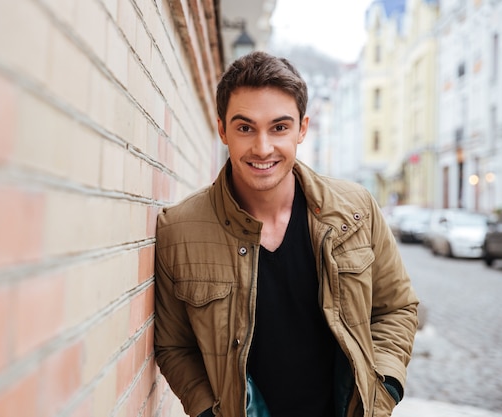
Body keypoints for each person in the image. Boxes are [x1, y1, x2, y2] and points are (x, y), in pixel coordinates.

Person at [154, 51, 419, 417]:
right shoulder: (179, 229)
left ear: (302, 129)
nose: (262, 148)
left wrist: (382, 387)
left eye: (279, 127)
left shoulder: (357, 211)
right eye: (245, 127)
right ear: (222, 130)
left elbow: (397, 308)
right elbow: (173, 346)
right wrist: (206, 412)